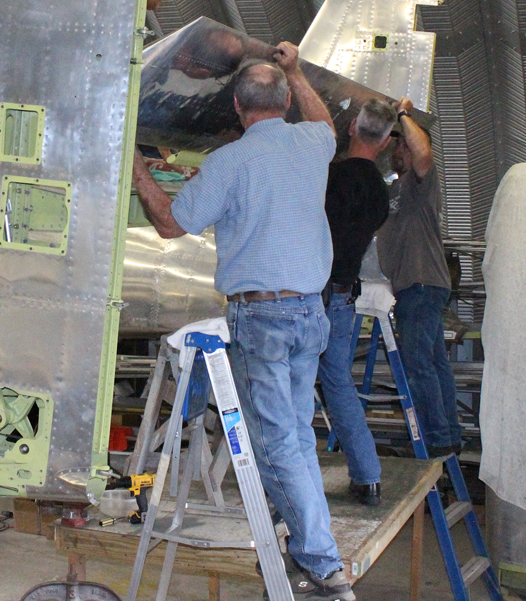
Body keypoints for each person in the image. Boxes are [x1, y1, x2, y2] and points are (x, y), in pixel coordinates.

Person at [132, 44, 356, 601]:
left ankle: (321, 563)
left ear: (236, 106)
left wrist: (138, 171)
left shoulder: (229, 162)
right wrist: (297, 70)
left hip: (263, 320)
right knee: (296, 436)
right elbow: (325, 119)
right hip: (310, 313)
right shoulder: (313, 141)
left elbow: (169, 225)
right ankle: (302, 544)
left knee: (275, 443)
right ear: (285, 100)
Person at [320, 98, 397, 506]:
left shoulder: (329, 178)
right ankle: (367, 476)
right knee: (339, 385)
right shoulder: (379, 197)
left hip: (310, 296)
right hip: (343, 298)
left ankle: (285, 487)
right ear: (384, 143)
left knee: (292, 385)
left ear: (351, 127)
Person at [375, 98, 462, 457]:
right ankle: (449, 435)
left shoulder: (420, 184)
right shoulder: (394, 189)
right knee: (434, 363)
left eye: (404, 143)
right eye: (395, 143)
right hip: (415, 287)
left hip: (422, 283)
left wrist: (404, 114)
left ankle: (436, 440)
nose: (400, 149)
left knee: (417, 364)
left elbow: (424, 155)